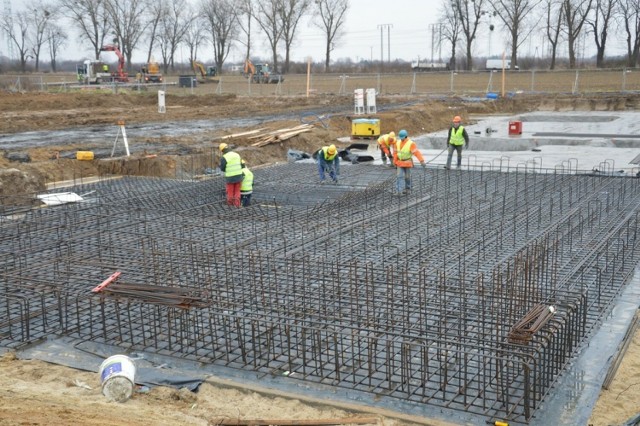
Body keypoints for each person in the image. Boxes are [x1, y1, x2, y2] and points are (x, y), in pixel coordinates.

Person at [393, 129, 425, 195]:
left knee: (407, 177)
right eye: (400, 138)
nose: (401, 139)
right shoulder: (397, 143)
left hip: (407, 162)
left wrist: (421, 161)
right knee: (399, 176)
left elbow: (416, 153)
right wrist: (394, 161)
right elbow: (395, 153)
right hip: (400, 162)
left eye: (403, 138)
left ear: (406, 136)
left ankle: (408, 189)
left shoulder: (411, 144)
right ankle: (399, 191)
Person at [218, 143, 244, 207]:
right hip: (239, 176)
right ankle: (237, 205)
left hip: (230, 177)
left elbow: (222, 168)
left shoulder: (224, 157)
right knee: (237, 191)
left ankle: (230, 205)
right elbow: (242, 165)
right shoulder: (237, 154)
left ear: (222, 151)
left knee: (230, 192)